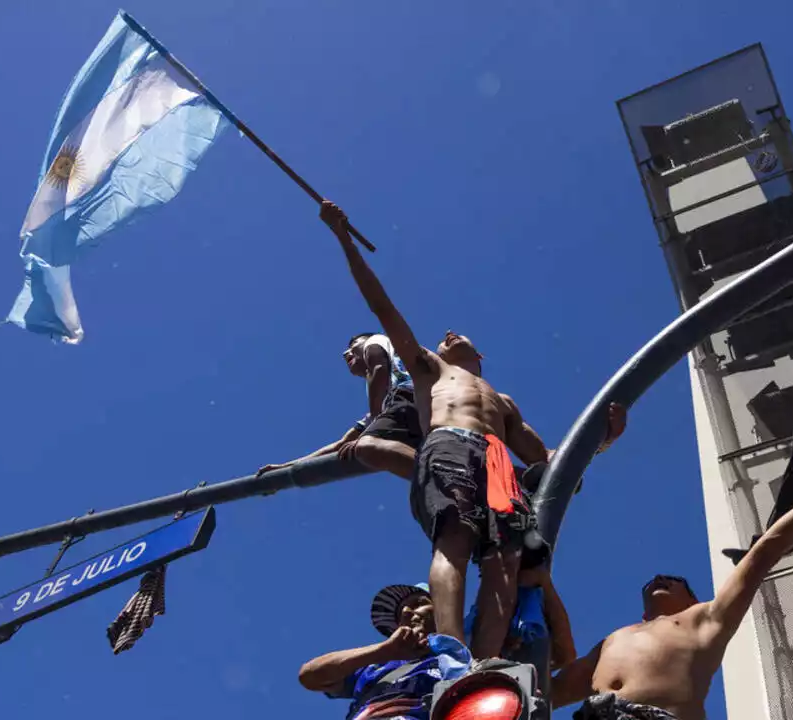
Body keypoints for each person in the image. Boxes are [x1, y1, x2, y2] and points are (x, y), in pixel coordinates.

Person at [321, 200, 626, 661]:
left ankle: (482, 664)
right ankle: (451, 649)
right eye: (443, 335)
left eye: (455, 334)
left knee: (505, 557)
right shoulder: (429, 368)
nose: (447, 333)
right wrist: (343, 237)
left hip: (498, 460)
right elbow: (382, 307)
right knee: (455, 539)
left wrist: (602, 441)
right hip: (449, 442)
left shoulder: (503, 403)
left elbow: (550, 459)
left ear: (479, 351)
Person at [550, 457, 793, 720]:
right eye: (654, 581)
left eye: (674, 580)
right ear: (644, 609)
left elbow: (764, 553)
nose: (661, 577)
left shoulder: (707, 618)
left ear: (693, 599)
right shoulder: (611, 641)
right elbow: (557, 689)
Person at [299, 577, 576, 720]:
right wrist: (385, 651)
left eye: (419, 602)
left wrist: (542, 582)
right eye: (401, 613)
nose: (408, 611)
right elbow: (311, 675)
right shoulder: (375, 667)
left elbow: (562, 656)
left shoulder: (474, 644)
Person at [258, 332, 422, 480]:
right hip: (425, 414)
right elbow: (340, 445)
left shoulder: (376, 341)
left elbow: (379, 368)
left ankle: (436, 477)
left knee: (368, 446)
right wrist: (286, 467)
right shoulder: (382, 407)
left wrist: (375, 417)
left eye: (353, 346)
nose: (345, 354)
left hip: (414, 396)